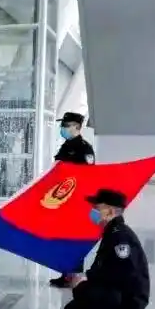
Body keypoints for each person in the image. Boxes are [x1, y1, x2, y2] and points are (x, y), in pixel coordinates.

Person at [61, 189, 150, 309]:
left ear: (110, 212)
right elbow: (106, 267)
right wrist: (85, 276)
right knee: (73, 308)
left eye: (97, 208)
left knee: (84, 292)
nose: (93, 212)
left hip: (130, 297)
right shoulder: (112, 231)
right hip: (122, 293)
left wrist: (85, 279)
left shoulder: (120, 235)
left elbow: (123, 273)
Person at [49, 111, 95, 289]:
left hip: (77, 200)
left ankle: (74, 275)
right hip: (63, 199)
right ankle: (66, 273)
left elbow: (88, 175)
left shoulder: (84, 149)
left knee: (74, 238)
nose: (63, 129)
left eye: (66, 126)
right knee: (63, 237)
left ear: (77, 127)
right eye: (63, 126)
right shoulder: (65, 146)